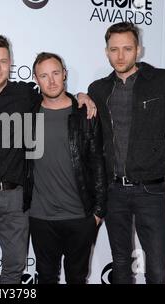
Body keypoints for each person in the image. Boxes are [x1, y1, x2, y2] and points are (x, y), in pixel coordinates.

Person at [0, 34, 97, 284]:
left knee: (14, 266)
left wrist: (82, 96)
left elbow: (55, 96)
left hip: (17, 198)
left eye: (3, 61)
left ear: (11, 62)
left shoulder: (26, 95)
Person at [88, 21, 165, 284]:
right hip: (114, 191)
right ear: (106, 52)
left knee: (157, 268)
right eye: (114, 49)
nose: (120, 56)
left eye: (127, 48)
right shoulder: (98, 90)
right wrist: (82, 96)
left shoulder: (163, 81)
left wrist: (158, 152)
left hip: (151, 189)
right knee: (121, 266)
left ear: (139, 49)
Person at [26, 52, 106, 284]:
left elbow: (97, 161)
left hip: (80, 216)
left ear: (65, 75)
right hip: (41, 217)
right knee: (47, 277)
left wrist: (98, 212)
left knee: (77, 278)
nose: (51, 81)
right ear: (36, 79)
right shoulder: (28, 112)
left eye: (56, 73)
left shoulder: (84, 113)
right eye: (44, 75)